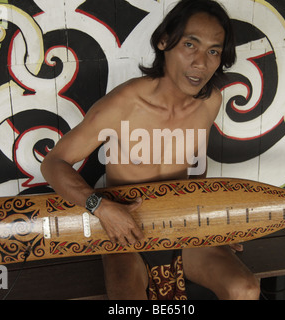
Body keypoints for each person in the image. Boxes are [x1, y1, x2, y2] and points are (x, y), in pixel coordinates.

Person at [41, 0, 260, 300]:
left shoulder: (210, 102)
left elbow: (196, 169)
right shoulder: (124, 104)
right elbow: (54, 163)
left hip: (180, 225)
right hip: (124, 228)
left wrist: (209, 225)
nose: (201, 63)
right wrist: (100, 208)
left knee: (246, 289)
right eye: (190, 45)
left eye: (213, 51)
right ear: (164, 41)